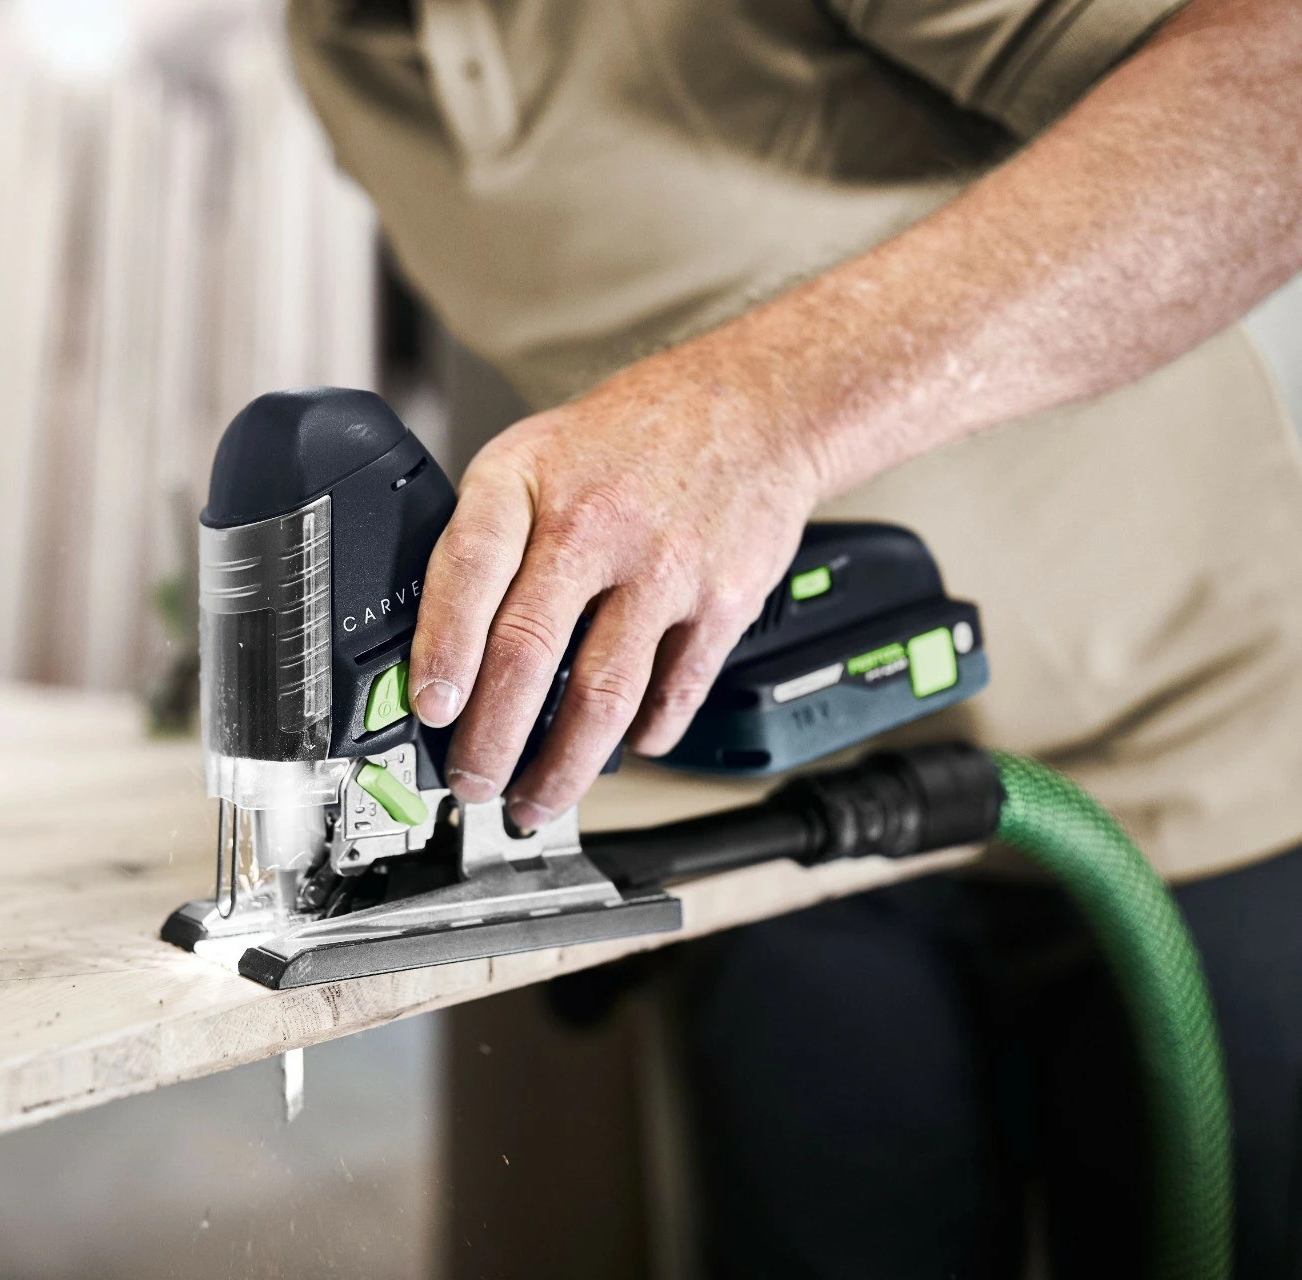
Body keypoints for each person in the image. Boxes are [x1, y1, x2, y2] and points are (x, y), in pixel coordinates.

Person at [284, 0, 1302, 1273]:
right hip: (787, 817)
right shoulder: (338, 49)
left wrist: (753, 410)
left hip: (1182, 770)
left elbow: (1277, 90)